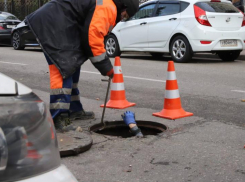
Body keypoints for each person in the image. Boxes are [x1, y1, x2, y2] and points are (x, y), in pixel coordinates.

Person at [25, 0, 139, 132]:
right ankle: (59, 118)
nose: (122, 18)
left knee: (73, 66)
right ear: (124, 6)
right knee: (64, 69)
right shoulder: (108, 7)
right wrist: (106, 67)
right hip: (53, 25)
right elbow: (93, 38)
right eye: (125, 15)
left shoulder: (106, 4)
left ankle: (74, 109)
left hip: (59, 23)